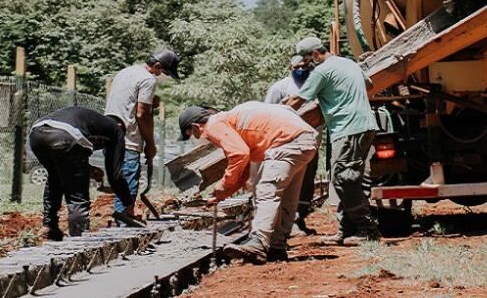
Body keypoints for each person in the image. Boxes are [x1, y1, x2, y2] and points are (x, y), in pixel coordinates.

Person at [179, 102, 318, 264]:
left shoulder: (213, 125)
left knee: (265, 190)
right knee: (287, 196)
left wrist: (223, 184)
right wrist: (223, 194)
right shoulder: (231, 120)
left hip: (287, 141)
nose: (198, 138)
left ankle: (259, 241)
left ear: (196, 127)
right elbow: (243, 168)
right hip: (304, 139)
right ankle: (276, 247)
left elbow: (239, 154)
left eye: (192, 135)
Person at [286, 37, 380, 244]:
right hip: (364, 125)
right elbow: (369, 85)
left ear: (316, 54)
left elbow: (298, 100)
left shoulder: (321, 71)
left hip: (348, 128)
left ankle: (367, 228)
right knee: (348, 178)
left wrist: (276, 112)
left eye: (309, 60)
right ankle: (346, 230)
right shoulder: (348, 63)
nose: (308, 65)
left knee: (342, 178)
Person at [28, 106, 132, 241]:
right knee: (77, 196)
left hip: (37, 134)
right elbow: (115, 176)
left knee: (55, 176)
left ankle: (50, 227)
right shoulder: (117, 130)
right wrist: (129, 205)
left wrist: (87, 168)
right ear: (119, 125)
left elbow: (67, 160)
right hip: (66, 135)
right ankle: (79, 242)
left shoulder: (90, 120)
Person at [105, 49, 180, 222]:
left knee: (119, 183)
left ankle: (122, 223)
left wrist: (152, 101)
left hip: (111, 135)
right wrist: (150, 144)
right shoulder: (147, 79)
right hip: (128, 140)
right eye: (163, 72)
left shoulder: (125, 72)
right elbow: (142, 114)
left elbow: (128, 101)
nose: (162, 76)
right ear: (157, 65)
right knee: (128, 183)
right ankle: (124, 232)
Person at [264, 55, 320, 236]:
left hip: (311, 144)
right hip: (287, 145)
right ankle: (285, 222)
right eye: (298, 66)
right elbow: (267, 113)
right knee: (288, 183)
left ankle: (299, 219)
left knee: (307, 185)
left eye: (305, 66)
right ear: (290, 67)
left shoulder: (315, 85)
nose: (301, 69)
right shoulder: (280, 88)